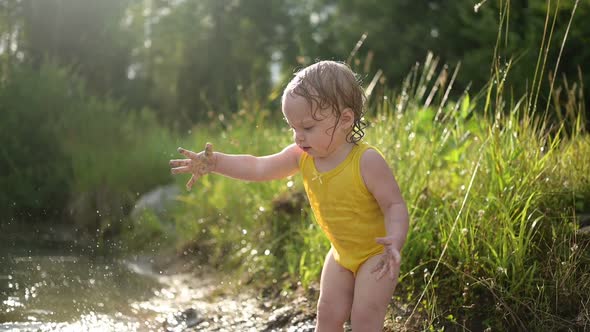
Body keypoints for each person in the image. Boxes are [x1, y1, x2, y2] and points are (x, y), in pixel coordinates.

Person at [169, 60, 409, 332]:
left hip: (377, 254)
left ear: (345, 120)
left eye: (307, 127)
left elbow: (394, 205)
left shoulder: (366, 161)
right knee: (327, 314)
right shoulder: (302, 156)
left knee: (365, 317)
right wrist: (216, 163)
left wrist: (395, 241)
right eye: (293, 127)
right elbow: (259, 166)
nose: (298, 137)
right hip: (341, 254)